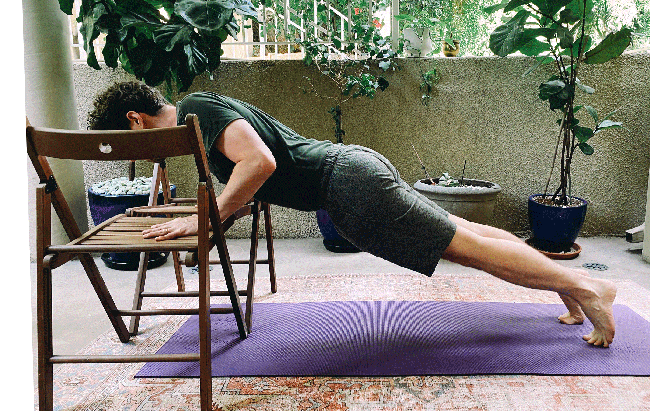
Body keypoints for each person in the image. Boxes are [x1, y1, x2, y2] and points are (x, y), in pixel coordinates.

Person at [88, 81, 617, 347]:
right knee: (467, 230)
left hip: (347, 184)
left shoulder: (197, 113)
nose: (139, 156)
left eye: (126, 142)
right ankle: (568, 287)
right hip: (348, 176)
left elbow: (260, 162)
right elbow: (252, 175)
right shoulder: (200, 113)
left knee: (464, 247)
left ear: (136, 121)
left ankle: (588, 288)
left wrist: (206, 220)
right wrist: (208, 216)